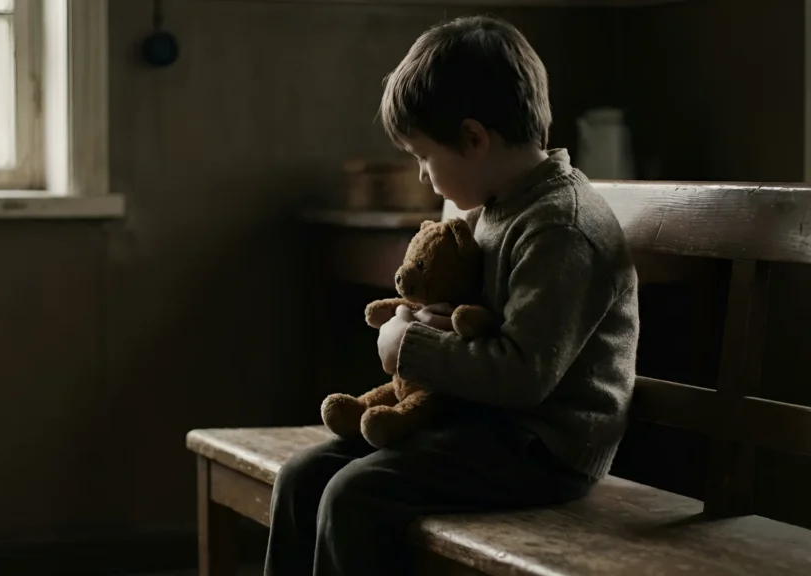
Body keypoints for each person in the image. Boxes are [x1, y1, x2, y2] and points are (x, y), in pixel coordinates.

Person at [264, 15, 640, 576]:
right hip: (481, 424)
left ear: (474, 139)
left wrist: (408, 346)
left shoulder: (561, 226)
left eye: (423, 156)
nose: (422, 175)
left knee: (354, 496)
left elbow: (523, 375)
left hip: (544, 448)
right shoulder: (496, 203)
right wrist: (427, 321)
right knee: (303, 478)